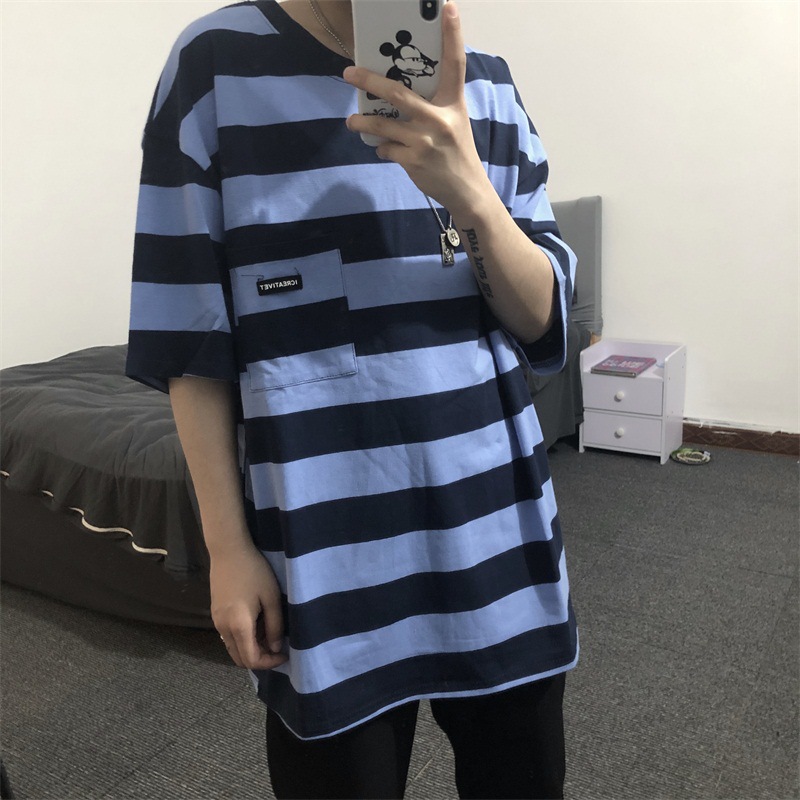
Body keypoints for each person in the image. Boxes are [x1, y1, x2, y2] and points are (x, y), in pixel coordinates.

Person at [126, 0, 579, 797]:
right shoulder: (214, 66)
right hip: (324, 560)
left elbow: (546, 323)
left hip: (498, 538)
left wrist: (469, 191)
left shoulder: (488, 85)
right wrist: (228, 549)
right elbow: (190, 334)